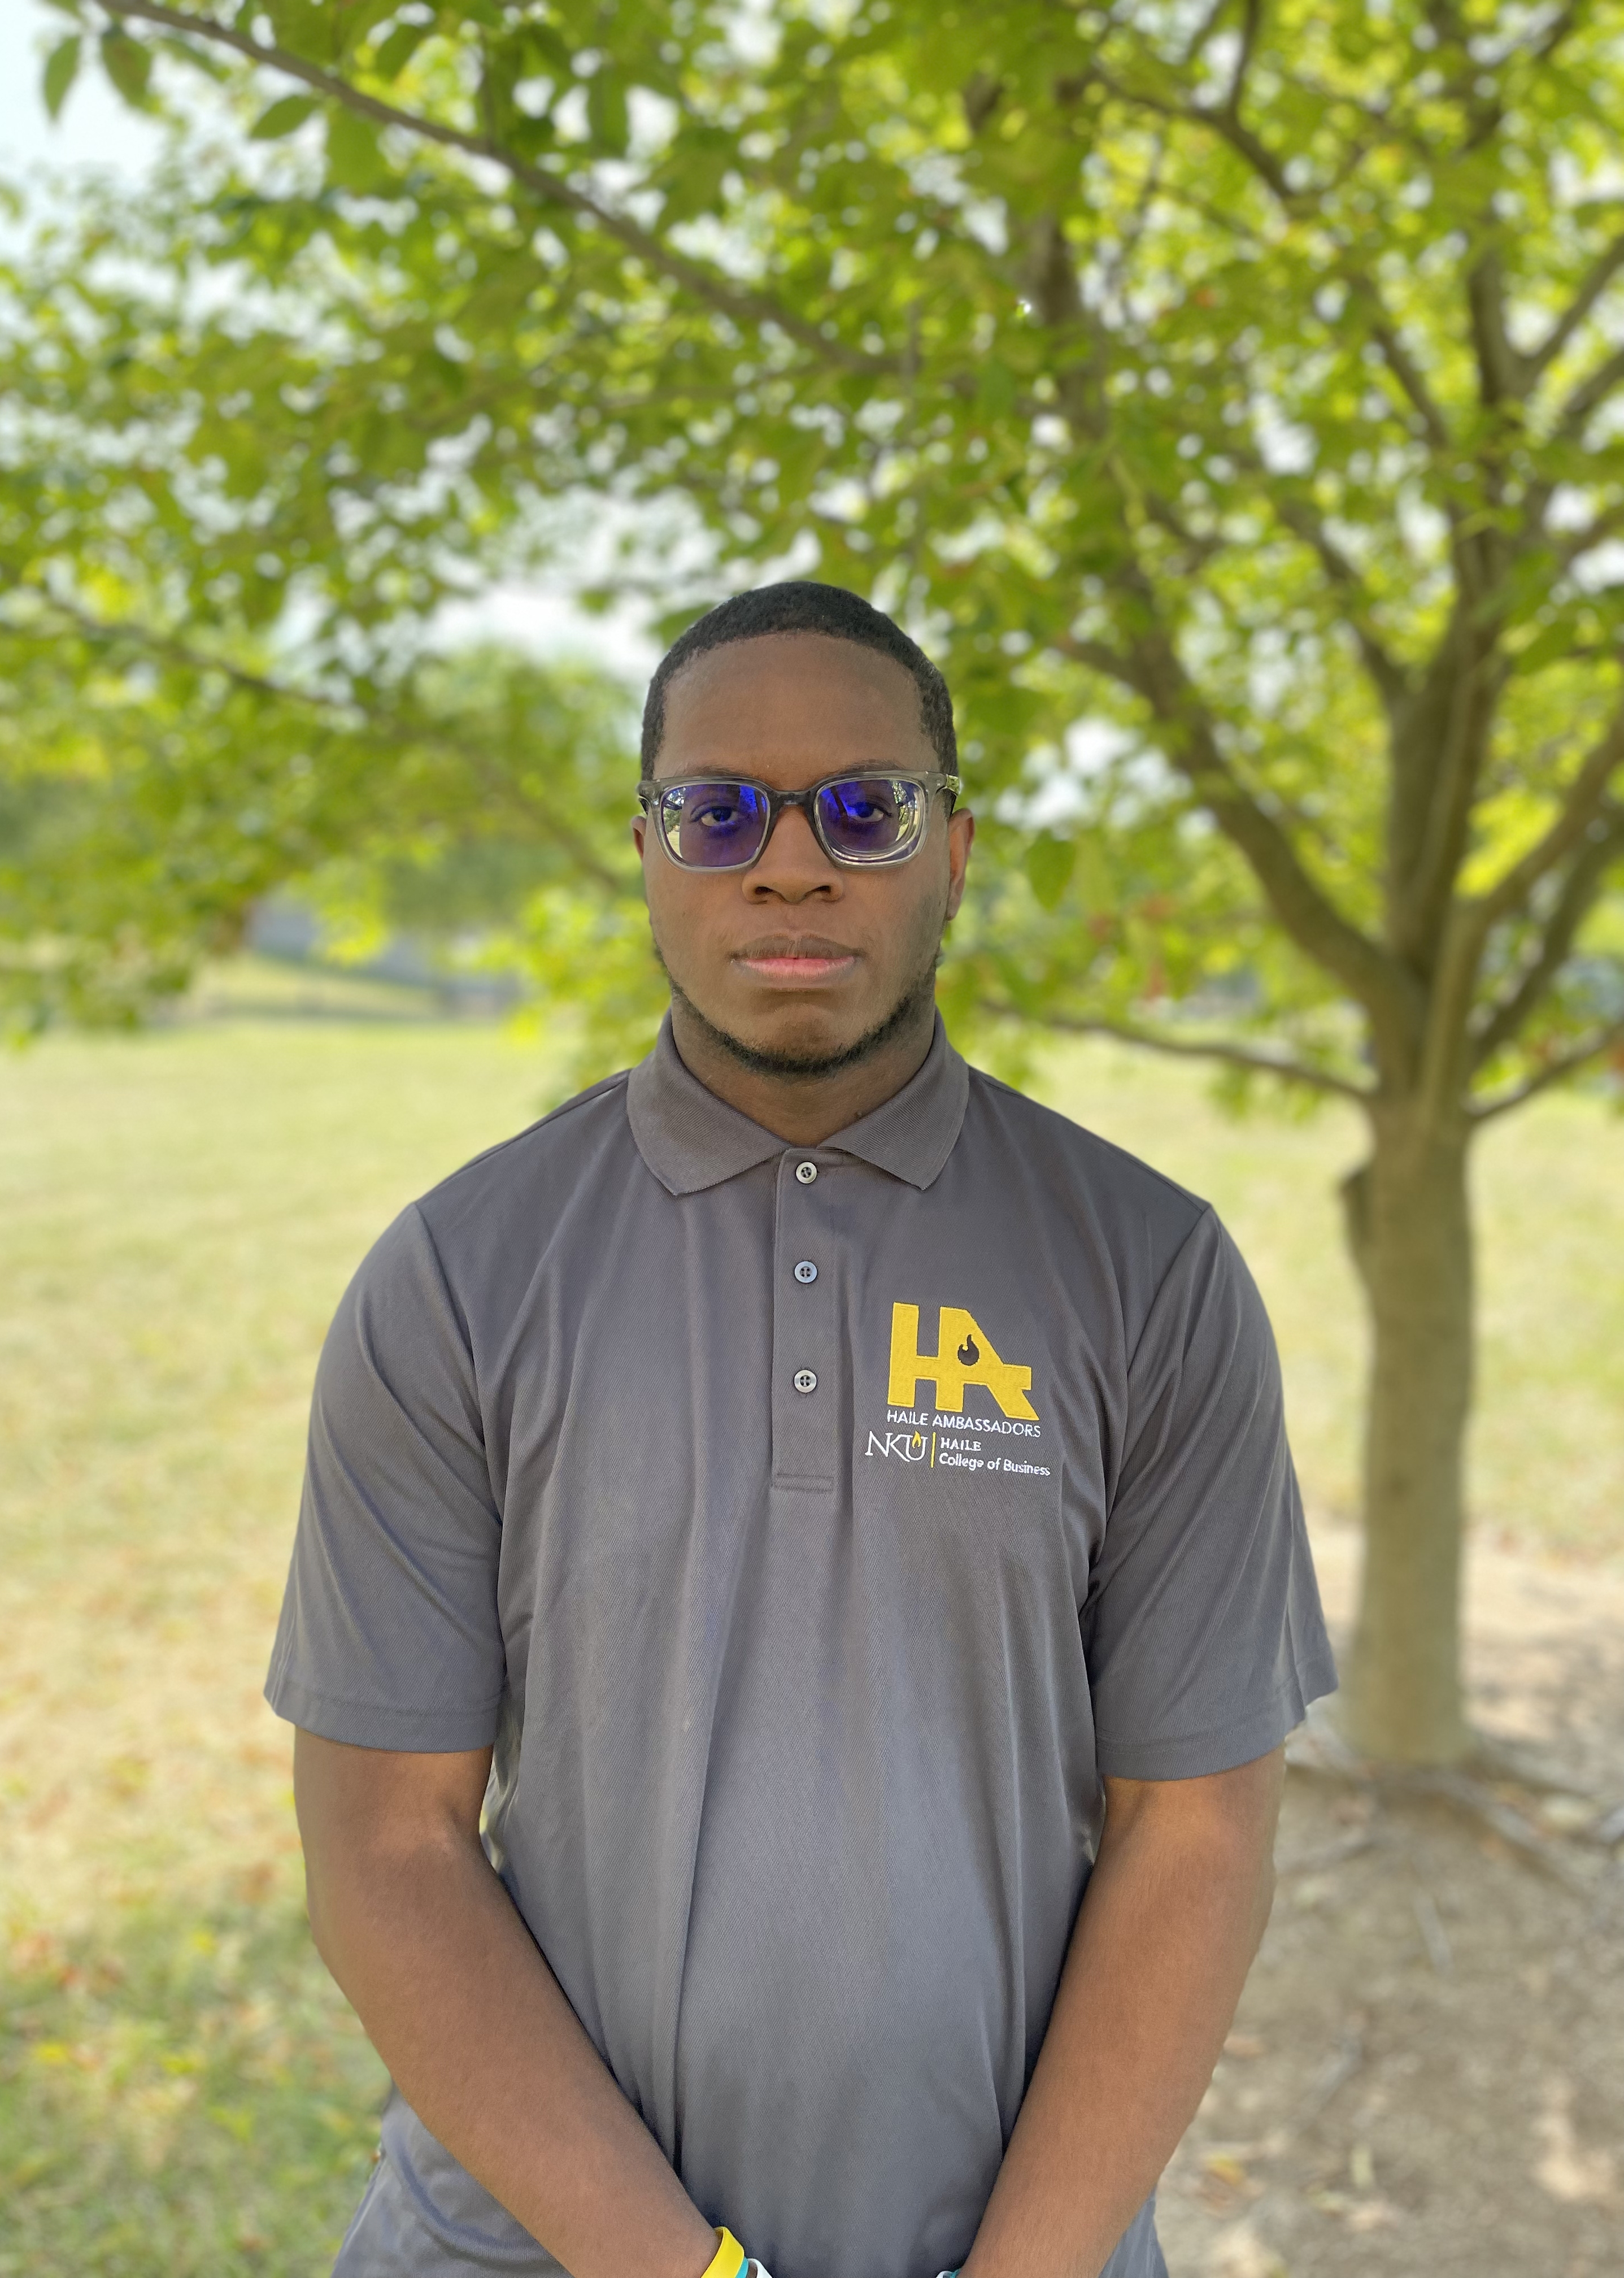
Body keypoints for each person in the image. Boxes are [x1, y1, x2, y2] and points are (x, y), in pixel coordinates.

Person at [266, 580, 1336, 2278]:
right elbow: (387, 1849)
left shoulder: (1150, 1273)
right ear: (647, 851)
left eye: (862, 807)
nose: (788, 862)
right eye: (717, 811)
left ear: (956, 849)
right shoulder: (459, 1278)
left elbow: (1195, 1836)